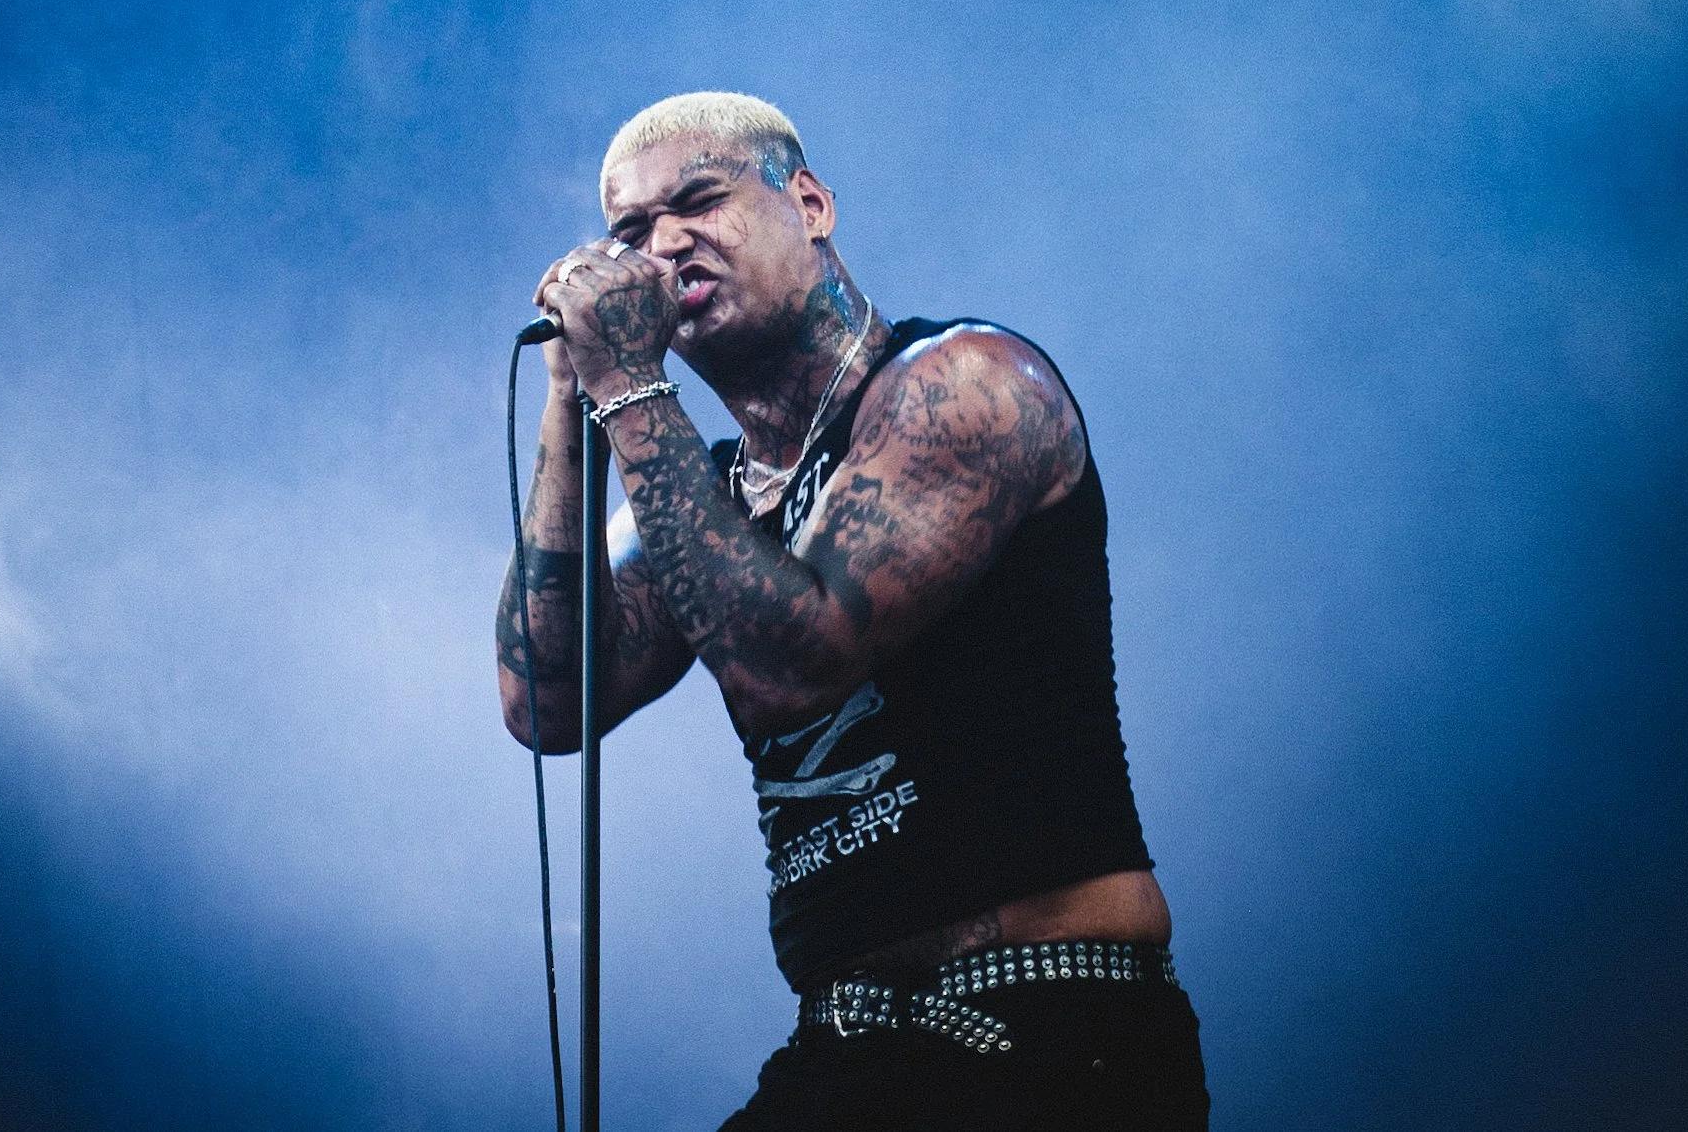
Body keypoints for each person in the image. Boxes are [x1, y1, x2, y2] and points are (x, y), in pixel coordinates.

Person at [497, 91, 1208, 1131]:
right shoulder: (701, 494)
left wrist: (633, 387)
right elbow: (545, 699)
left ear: (811, 205)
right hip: (849, 1042)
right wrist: (573, 394)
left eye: (698, 201)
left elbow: (795, 663)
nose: (663, 247)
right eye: (631, 232)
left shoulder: (967, 382)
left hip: (1049, 1026)